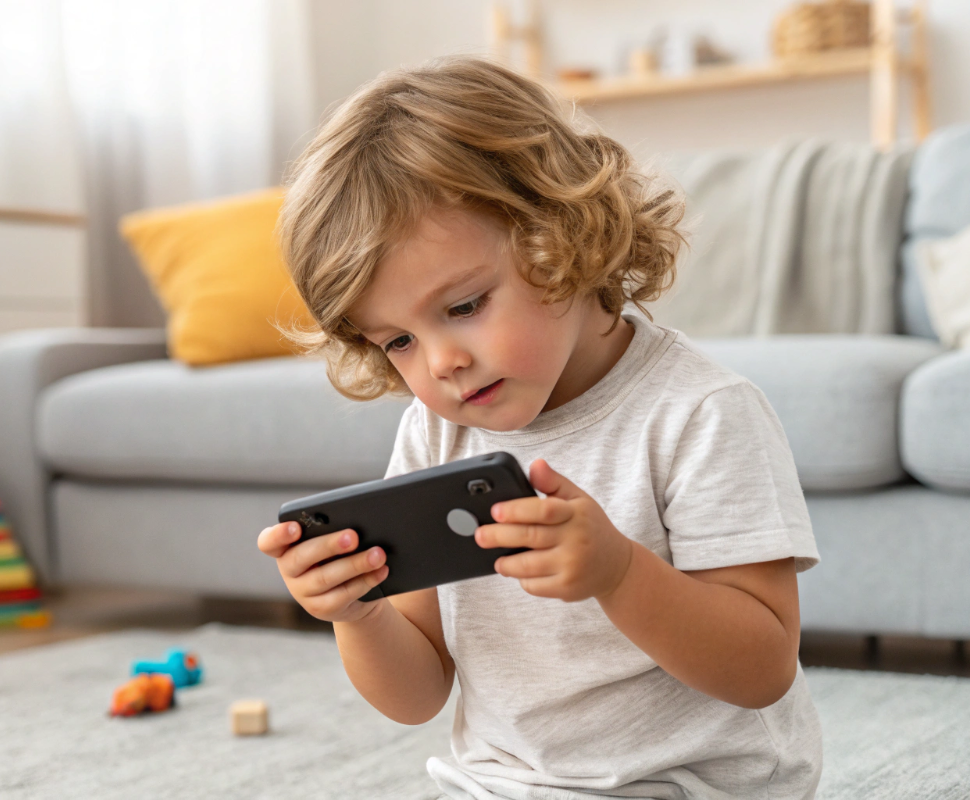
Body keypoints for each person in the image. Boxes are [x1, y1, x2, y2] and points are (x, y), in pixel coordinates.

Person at [257, 55, 821, 800]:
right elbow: (417, 693)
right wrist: (357, 614)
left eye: (462, 306)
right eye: (397, 341)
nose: (442, 363)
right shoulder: (435, 433)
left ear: (564, 235)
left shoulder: (700, 413)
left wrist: (618, 574)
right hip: (499, 785)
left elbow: (761, 669)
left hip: (689, 786)